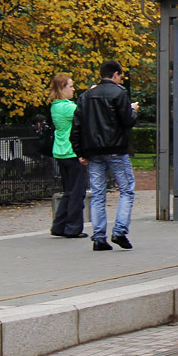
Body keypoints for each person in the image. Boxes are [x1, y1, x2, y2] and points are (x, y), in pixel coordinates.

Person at [71, 60, 139, 251]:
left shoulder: (86, 96)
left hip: (94, 152)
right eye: (121, 75)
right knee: (126, 190)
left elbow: (76, 126)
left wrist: (80, 152)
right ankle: (119, 231)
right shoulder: (119, 93)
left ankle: (99, 237)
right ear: (116, 74)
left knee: (98, 194)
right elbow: (127, 120)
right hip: (116, 149)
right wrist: (133, 111)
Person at [48, 73, 88, 238]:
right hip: (72, 151)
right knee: (77, 192)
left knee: (68, 191)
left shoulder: (55, 106)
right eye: (70, 86)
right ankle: (73, 228)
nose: (73, 89)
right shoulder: (68, 107)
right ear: (62, 89)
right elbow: (86, 114)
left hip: (60, 150)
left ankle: (59, 225)